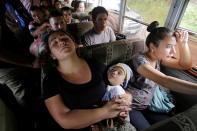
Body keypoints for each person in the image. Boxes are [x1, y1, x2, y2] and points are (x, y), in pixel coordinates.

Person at [42, 30, 132, 130]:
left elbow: (115, 83)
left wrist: (127, 98)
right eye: (54, 42)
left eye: (64, 37)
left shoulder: (96, 65)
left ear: (74, 44)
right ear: (52, 55)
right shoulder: (51, 80)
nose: (61, 42)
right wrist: (105, 112)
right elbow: (65, 120)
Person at [128, 21, 197, 131]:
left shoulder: (158, 59)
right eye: (169, 47)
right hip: (133, 106)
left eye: (174, 47)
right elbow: (165, 80)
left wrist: (183, 44)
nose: (173, 52)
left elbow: (185, 65)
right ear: (153, 47)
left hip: (149, 105)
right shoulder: (139, 60)